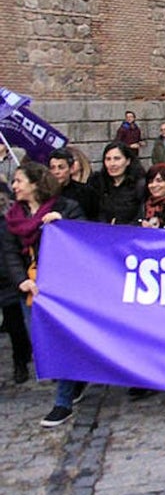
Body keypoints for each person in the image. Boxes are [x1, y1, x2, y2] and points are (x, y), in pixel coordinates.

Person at [2, 163, 84, 423]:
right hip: (32, 291)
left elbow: (85, 239)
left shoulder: (66, 207)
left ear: (35, 184)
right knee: (42, 345)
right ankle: (75, 378)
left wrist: (64, 224)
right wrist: (22, 280)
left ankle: (63, 402)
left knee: (60, 344)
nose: (14, 186)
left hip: (63, 288)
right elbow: (11, 254)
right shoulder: (13, 217)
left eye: (18, 181)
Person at [89, 141, 146, 225]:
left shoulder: (140, 185)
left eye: (117, 158)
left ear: (128, 161)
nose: (112, 164)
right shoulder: (98, 183)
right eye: (108, 159)